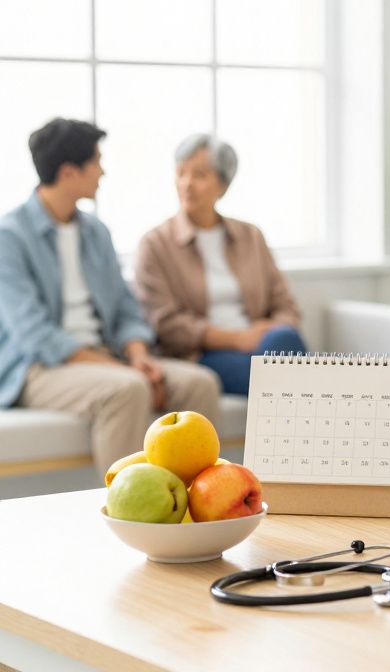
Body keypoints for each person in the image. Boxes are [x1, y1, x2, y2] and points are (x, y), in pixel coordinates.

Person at [0, 119, 221, 473]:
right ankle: (126, 510)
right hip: (39, 368)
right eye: (96, 162)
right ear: (69, 172)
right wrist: (122, 369)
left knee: (200, 383)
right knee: (127, 389)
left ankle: (194, 503)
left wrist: (137, 353)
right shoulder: (9, 236)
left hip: (108, 355)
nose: (102, 171)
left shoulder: (95, 231)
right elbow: (35, 334)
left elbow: (124, 307)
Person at [134, 134, 306, 395]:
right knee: (291, 375)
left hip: (264, 346)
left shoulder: (251, 236)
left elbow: (286, 307)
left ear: (223, 185)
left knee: (284, 340)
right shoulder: (155, 244)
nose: (186, 184)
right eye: (181, 173)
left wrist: (262, 331)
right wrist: (237, 339)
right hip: (204, 354)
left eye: (199, 175)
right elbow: (166, 324)